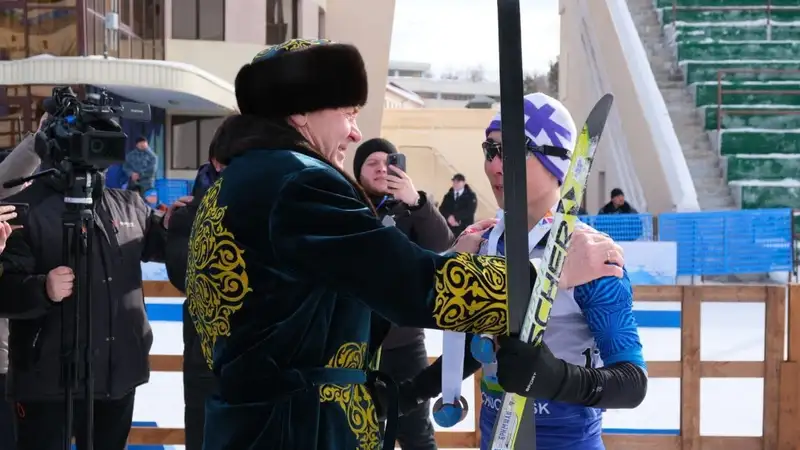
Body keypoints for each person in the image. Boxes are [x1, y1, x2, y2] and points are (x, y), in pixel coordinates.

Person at [184, 38, 537, 450]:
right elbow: (407, 285)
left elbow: (322, 304)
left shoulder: (238, 181)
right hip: (302, 430)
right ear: (299, 111)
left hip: (256, 424)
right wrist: (529, 280)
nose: (355, 132)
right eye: (348, 113)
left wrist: (449, 259)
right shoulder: (299, 181)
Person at [474, 92, 648, 450]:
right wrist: (417, 390)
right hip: (495, 439)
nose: (494, 166)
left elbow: (632, 383)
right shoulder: (484, 242)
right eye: (490, 151)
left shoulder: (589, 254)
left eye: (511, 150)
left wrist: (555, 380)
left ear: (558, 164)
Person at [0, 124, 187, 450]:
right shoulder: (25, 208)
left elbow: (161, 249)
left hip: (118, 376)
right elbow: (5, 294)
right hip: (45, 381)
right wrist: (43, 288)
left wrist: (174, 226)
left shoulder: (130, 205)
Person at [352, 137, 452, 450]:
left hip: (406, 344)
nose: (382, 169)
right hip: (357, 344)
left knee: (417, 434)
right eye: (372, 163)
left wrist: (417, 202)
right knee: (364, 433)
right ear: (359, 173)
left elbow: (444, 249)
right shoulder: (347, 205)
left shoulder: (413, 208)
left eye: (388, 162)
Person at [164, 115, 241, 450]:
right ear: (217, 163)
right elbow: (184, 275)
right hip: (205, 354)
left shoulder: (277, 206)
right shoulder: (190, 213)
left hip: (264, 357)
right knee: (202, 437)